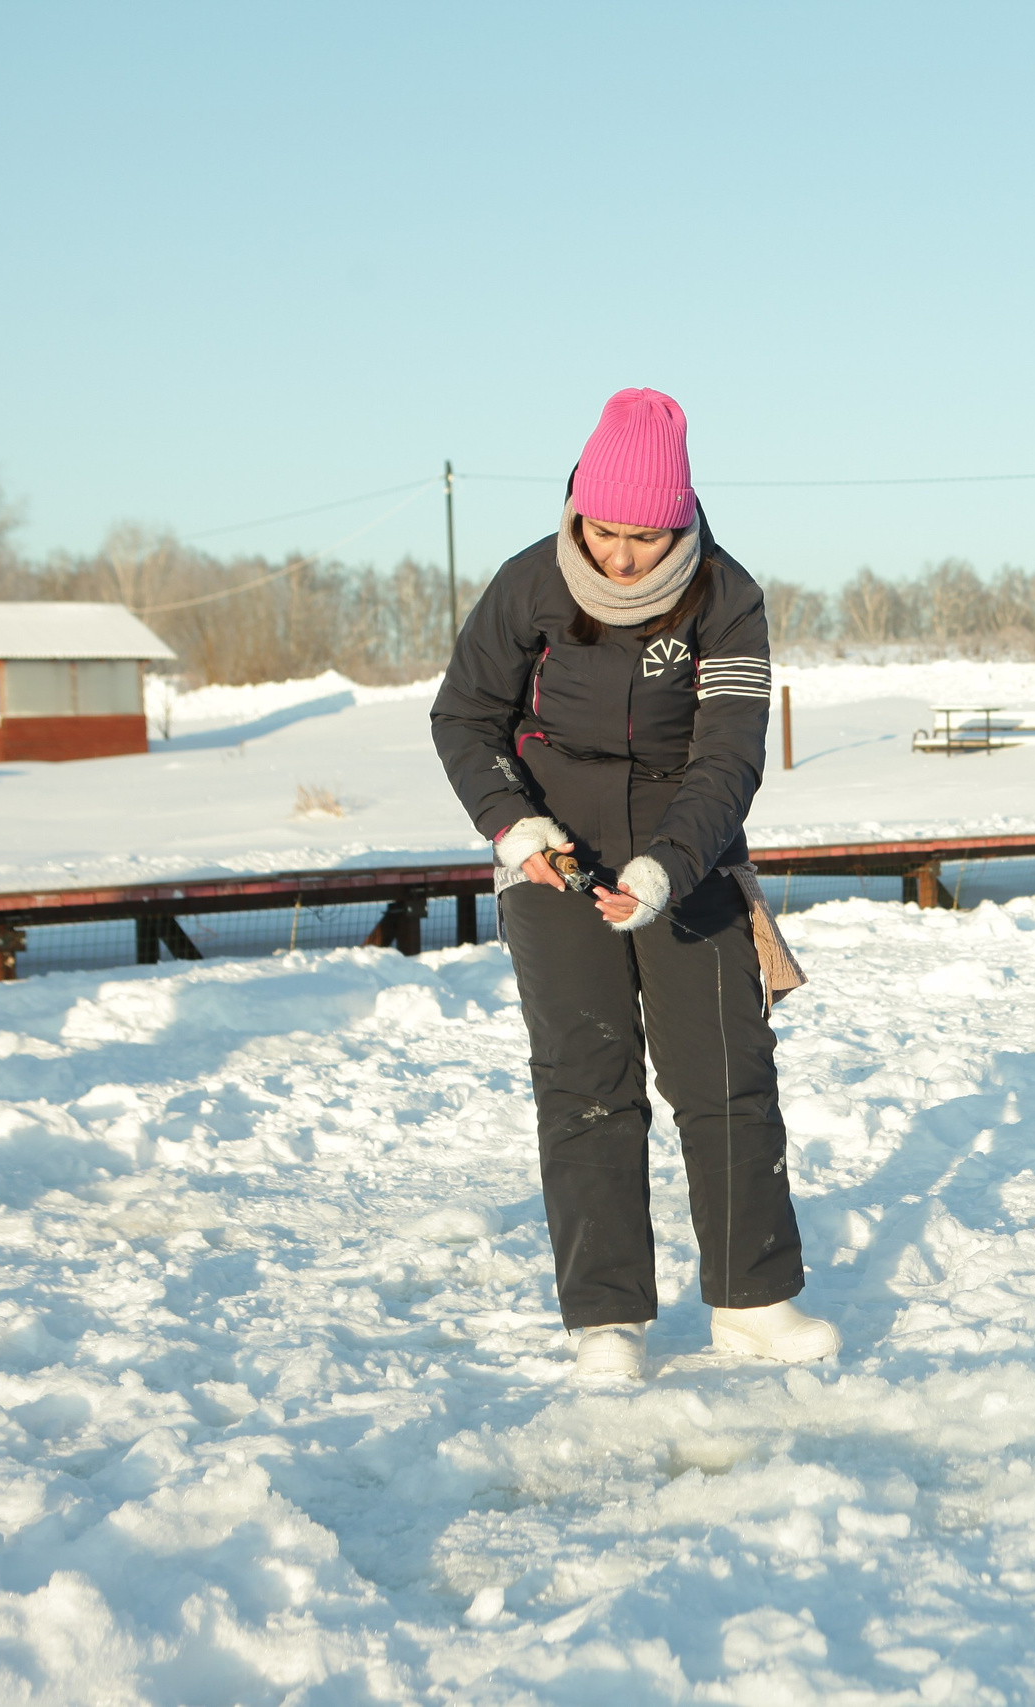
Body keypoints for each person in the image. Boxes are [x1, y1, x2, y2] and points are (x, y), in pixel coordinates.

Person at [431, 387, 834, 1383]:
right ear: (577, 510)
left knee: (726, 1080)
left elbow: (729, 757)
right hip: (552, 862)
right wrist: (512, 825)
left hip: (684, 858)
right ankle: (606, 1321)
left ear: (680, 520)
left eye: (644, 537)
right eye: (604, 530)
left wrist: (666, 866)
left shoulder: (725, 597)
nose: (620, 554)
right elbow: (462, 719)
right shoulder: (528, 585)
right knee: (587, 1088)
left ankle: (752, 1302)